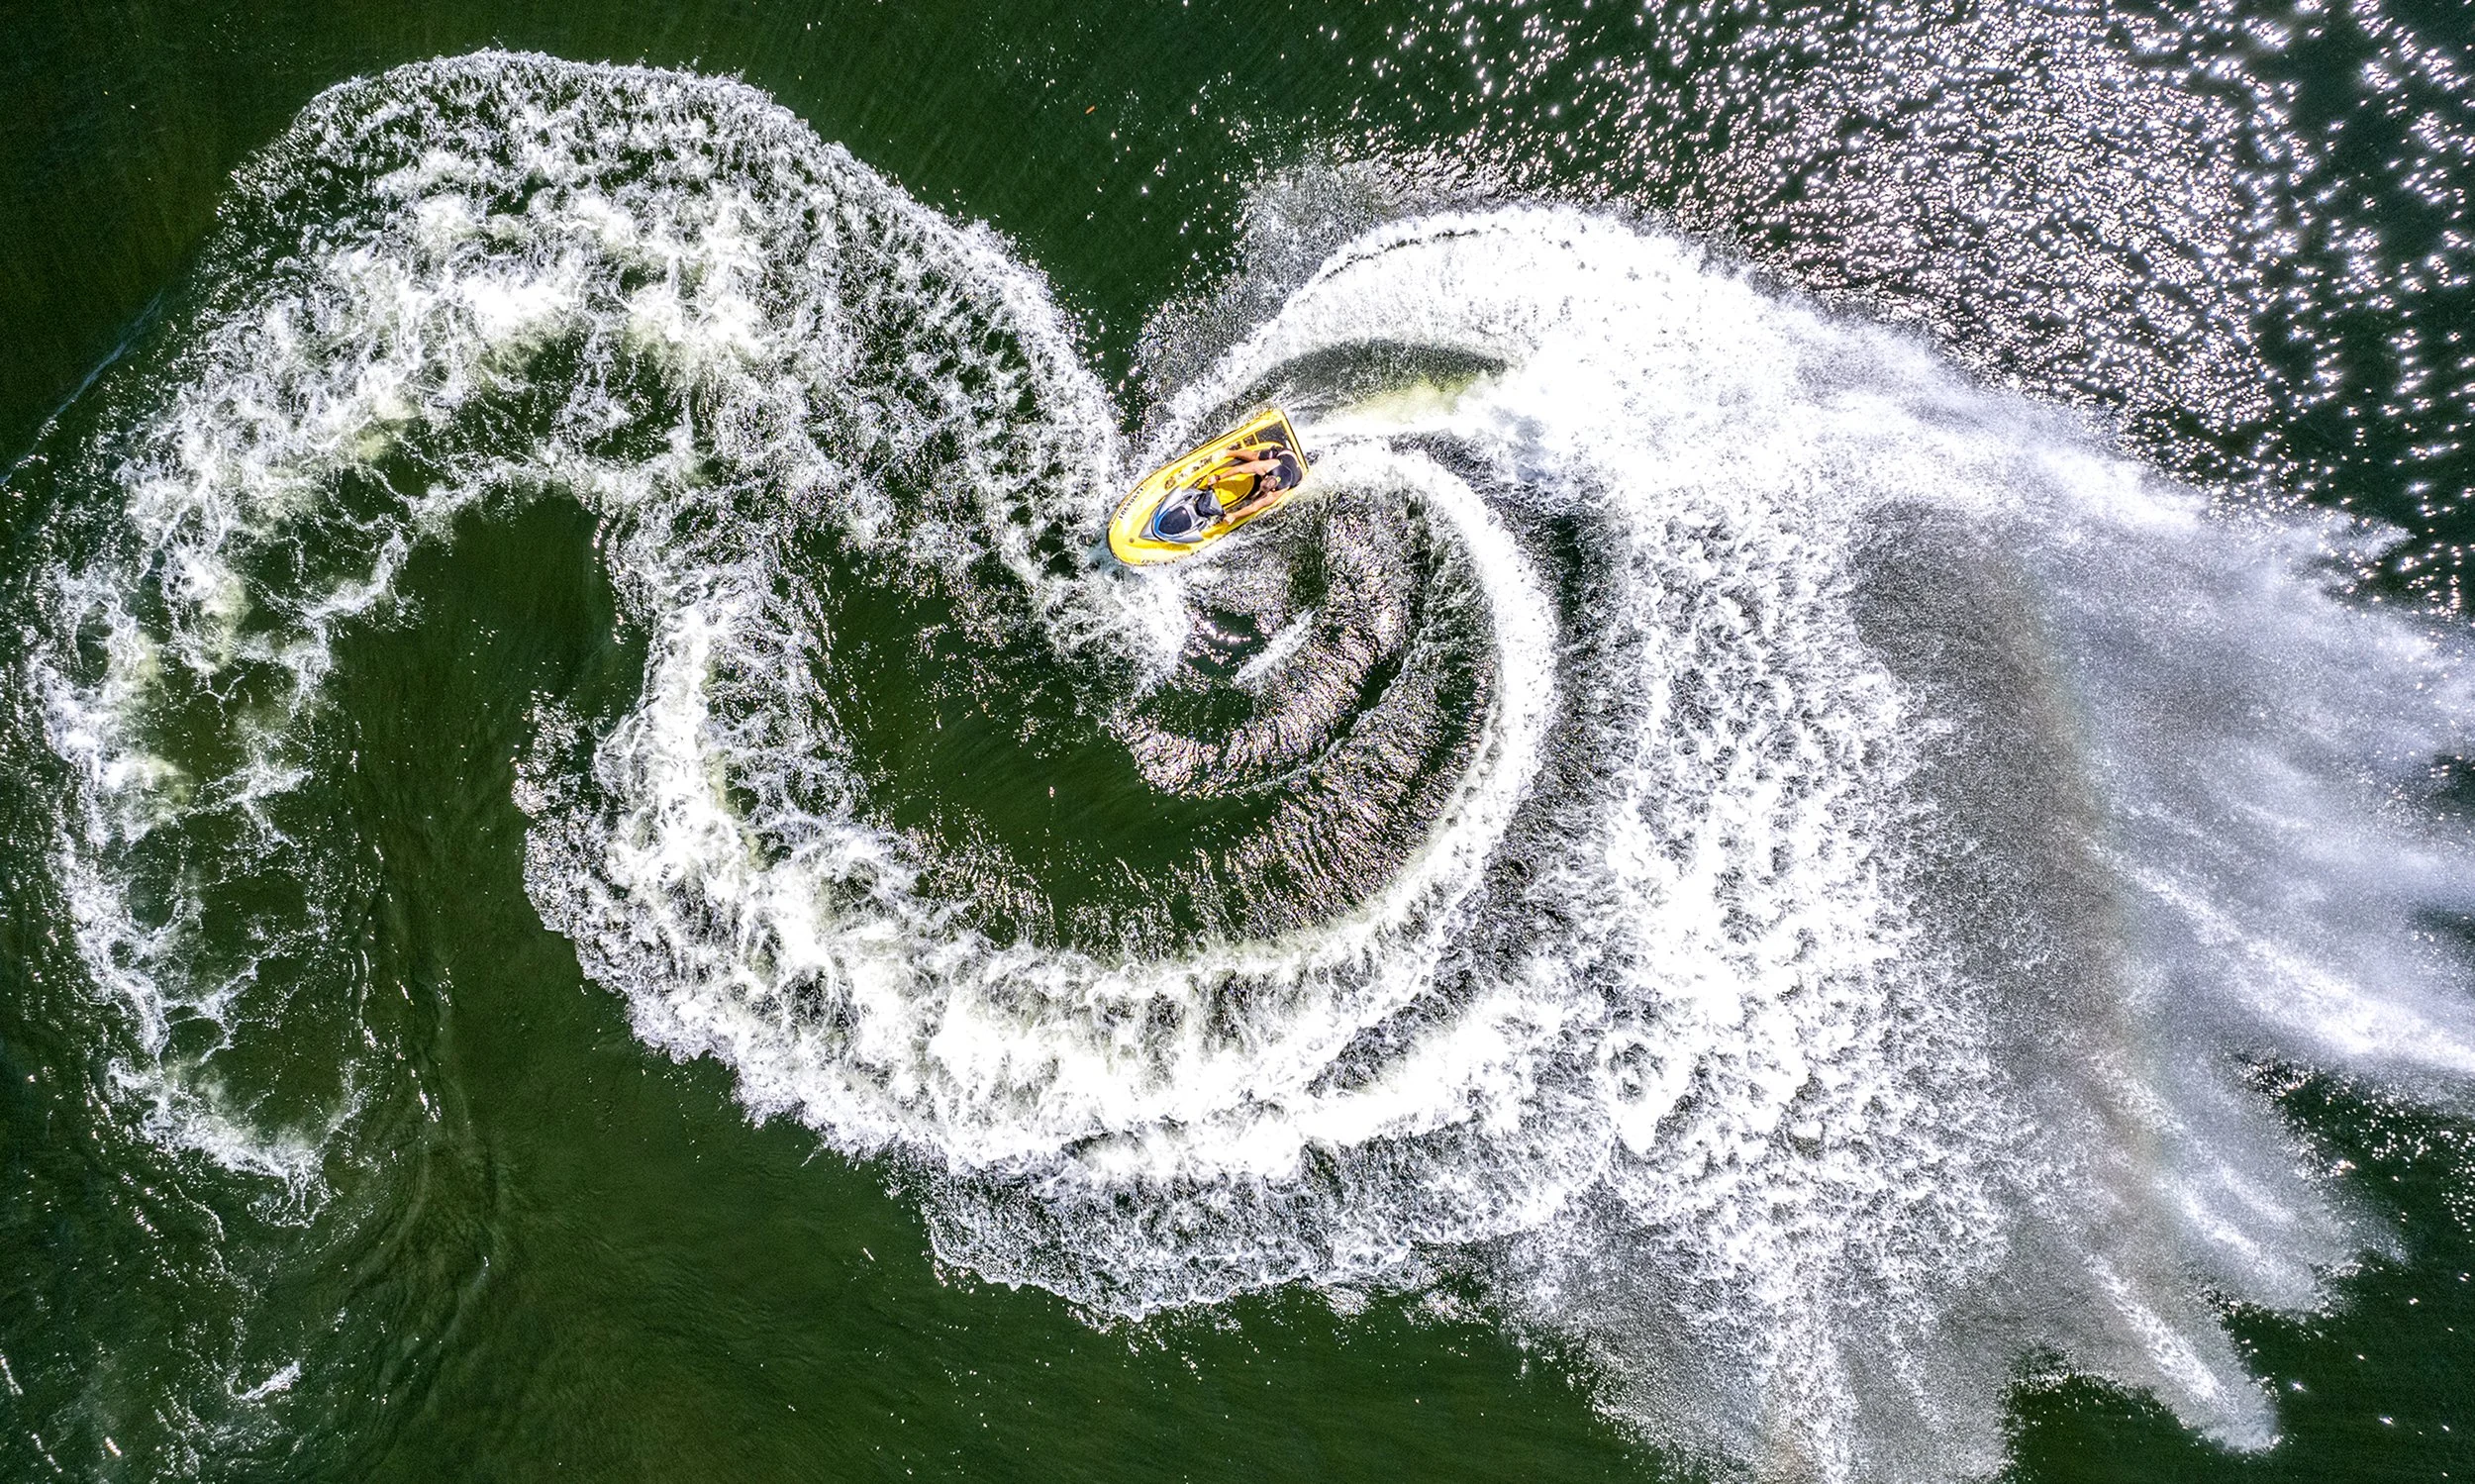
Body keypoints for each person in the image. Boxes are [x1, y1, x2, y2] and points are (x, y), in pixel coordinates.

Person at [1202, 441, 1305, 524]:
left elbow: (1254, 507)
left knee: (1259, 501)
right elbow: (1240, 469)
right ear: (1266, 476)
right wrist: (1218, 477)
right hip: (1288, 456)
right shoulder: (1266, 466)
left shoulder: (1277, 492)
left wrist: (1234, 515)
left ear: (1272, 490)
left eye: (1264, 491)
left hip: (1299, 475)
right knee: (1254, 457)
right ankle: (1229, 452)